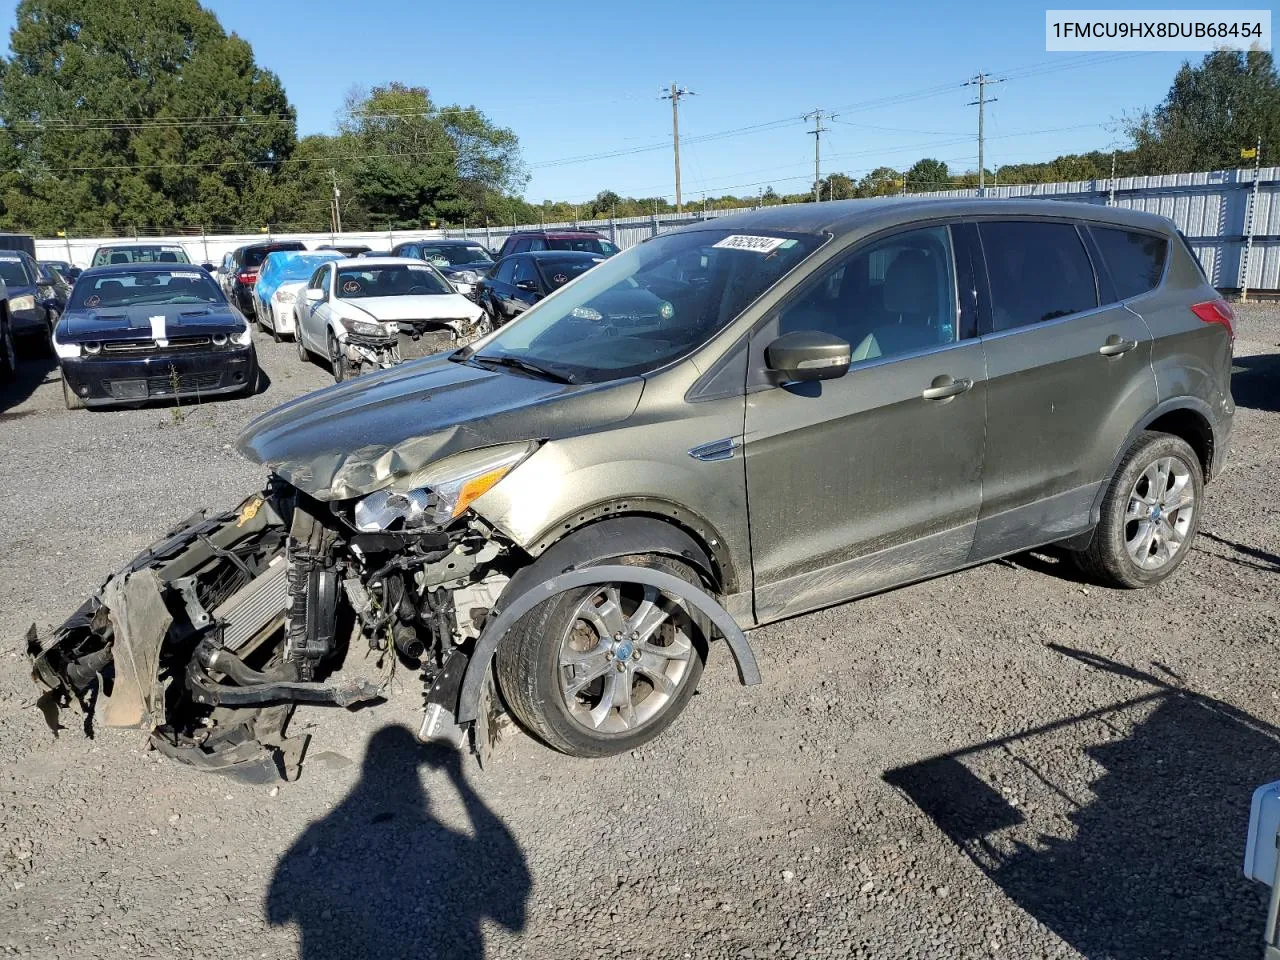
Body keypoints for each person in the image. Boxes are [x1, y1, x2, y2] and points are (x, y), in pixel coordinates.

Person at [268, 725, 529, 959]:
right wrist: (459, 783)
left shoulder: (320, 833)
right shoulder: (453, 844)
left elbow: (277, 912)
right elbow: (513, 916)